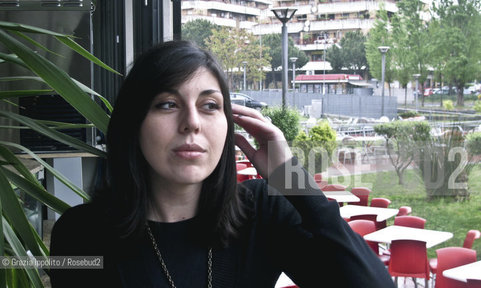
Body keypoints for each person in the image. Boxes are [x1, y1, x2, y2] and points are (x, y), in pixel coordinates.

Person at [50, 40, 394, 287]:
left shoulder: (261, 213)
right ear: (133, 123)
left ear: (230, 125)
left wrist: (291, 180)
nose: (192, 122)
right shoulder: (82, 234)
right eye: (167, 104)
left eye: (210, 106)